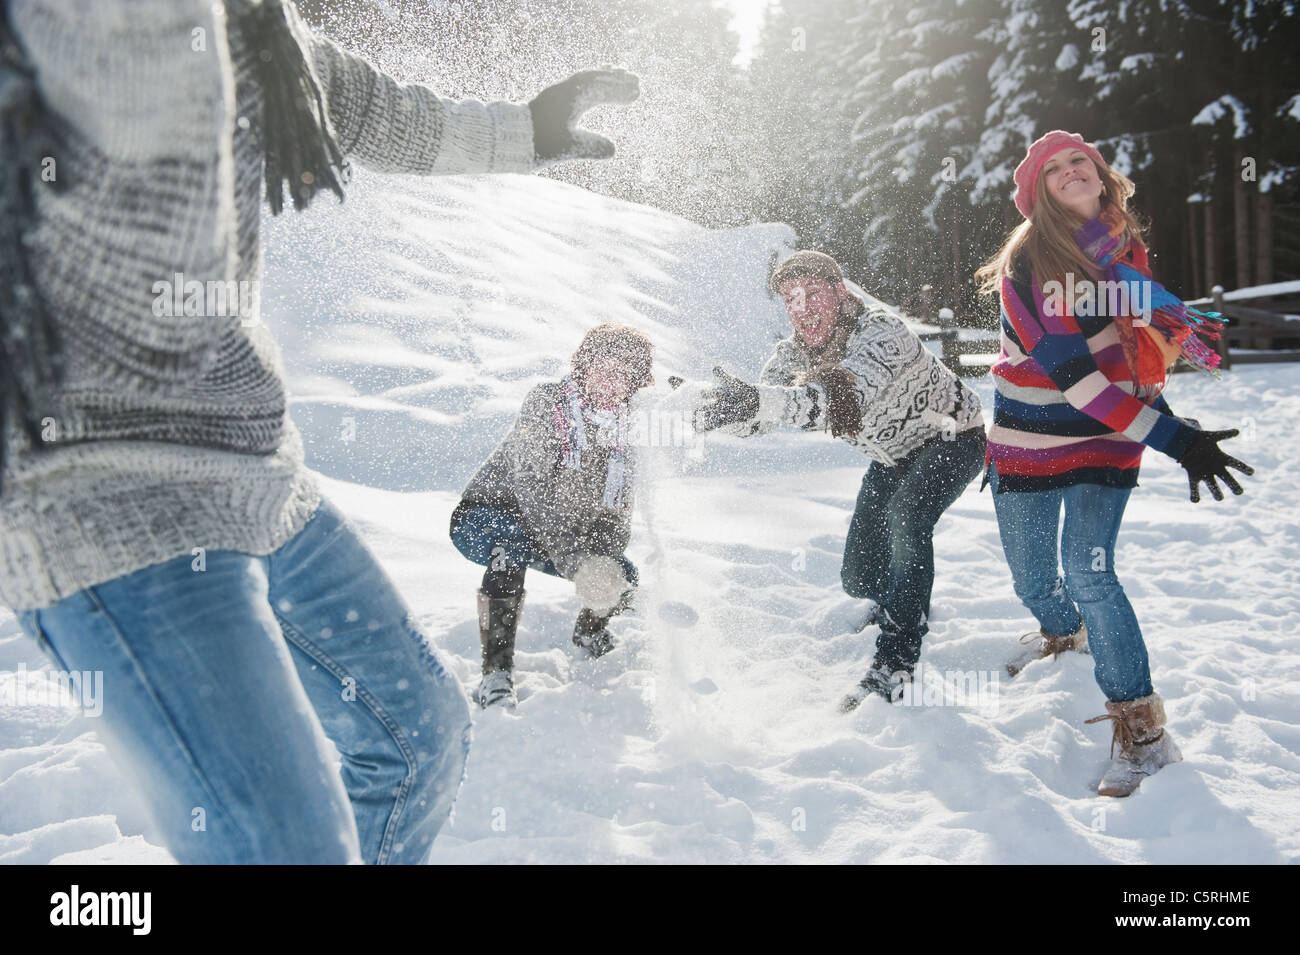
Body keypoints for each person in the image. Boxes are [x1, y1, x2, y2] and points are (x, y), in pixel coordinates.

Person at [0, 0, 638, 862]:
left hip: (255, 470)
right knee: (290, 844)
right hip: (103, 500)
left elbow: (372, 110)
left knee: (418, 741)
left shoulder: (252, 20)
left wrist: (524, 129)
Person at [974, 129, 1253, 797]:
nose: (1072, 170)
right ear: (1039, 194)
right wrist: (1177, 439)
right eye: (1055, 169)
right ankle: (1061, 633)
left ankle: (1144, 735)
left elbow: (1126, 361)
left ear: (1101, 177)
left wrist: (1169, 423)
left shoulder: (1123, 250)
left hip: (1110, 434)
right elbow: (1079, 383)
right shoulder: (1028, 266)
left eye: (1082, 161)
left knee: (1091, 571)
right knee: (1034, 577)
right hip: (1029, 434)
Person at [691, 251, 986, 710]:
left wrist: (764, 403)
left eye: (812, 293)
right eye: (790, 299)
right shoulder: (791, 353)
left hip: (953, 438)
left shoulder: (880, 331)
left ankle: (898, 659)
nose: (802, 307)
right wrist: (710, 409)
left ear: (840, 293)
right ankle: (902, 600)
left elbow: (837, 402)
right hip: (893, 457)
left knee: (908, 518)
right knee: (859, 576)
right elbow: (769, 409)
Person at [450, 323, 654, 709]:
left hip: (552, 536)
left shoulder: (628, 434)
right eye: (603, 365)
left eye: (623, 372)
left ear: (636, 384)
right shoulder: (547, 403)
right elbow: (533, 489)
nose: (610, 379)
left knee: (621, 574)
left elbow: (615, 514)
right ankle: (496, 673)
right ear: (584, 365)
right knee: (507, 552)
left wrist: (602, 563)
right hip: (487, 517)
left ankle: (588, 636)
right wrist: (577, 563)